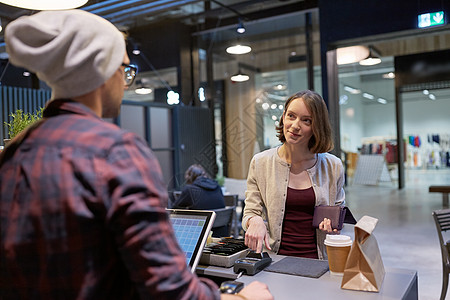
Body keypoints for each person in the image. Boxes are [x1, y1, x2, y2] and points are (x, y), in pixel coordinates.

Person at [0, 10, 273, 300]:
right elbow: (170, 292)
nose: (126, 82)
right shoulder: (115, 153)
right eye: (126, 70)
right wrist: (243, 298)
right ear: (105, 70)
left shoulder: (15, 152)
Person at [242, 90, 345, 260]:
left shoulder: (332, 166)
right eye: (291, 116)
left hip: (319, 261)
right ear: (283, 117)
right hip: (274, 260)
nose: (295, 125)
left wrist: (334, 226)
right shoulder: (261, 163)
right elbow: (250, 211)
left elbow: (338, 214)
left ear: (316, 127)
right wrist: (255, 221)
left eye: (306, 120)